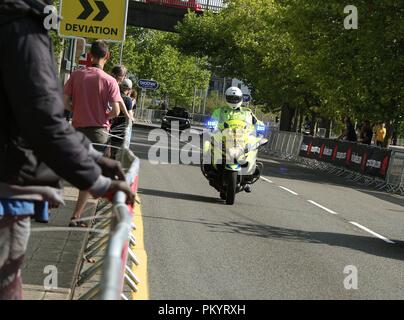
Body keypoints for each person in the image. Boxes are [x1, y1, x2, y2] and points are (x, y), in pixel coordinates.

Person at [0, 0, 133, 300]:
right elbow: (42, 120)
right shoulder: (21, 29)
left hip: (72, 133)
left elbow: (58, 111)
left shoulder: (20, 26)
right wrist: (98, 178)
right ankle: (79, 213)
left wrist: (90, 158)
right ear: (107, 57)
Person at [63, 40, 124, 227]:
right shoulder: (110, 81)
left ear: (90, 55)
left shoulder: (76, 75)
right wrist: (101, 113)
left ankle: (51, 204)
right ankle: (76, 216)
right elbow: (116, 111)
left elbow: (64, 101)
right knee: (91, 174)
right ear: (107, 56)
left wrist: (76, 110)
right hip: (99, 132)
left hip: (77, 129)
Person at [208, 87, 264, 193]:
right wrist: (211, 126)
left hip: (242, 140)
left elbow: (257, 122)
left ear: (241, 99)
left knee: (254, 147)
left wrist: (261, 126)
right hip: (225, 138)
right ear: (226, 98)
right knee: (208, 147)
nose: (233, 101)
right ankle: (211, 169)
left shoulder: (247, 112)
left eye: (236, 98)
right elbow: (212, 121)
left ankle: (248, 174)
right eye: (231, 98)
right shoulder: (219, 111)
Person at [110, 79, 135, 159]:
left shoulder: (112, 95)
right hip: (121, 131)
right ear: (129, 89)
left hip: (109, 128)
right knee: (118, 154)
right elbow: (130, 116)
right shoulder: (128, 100)